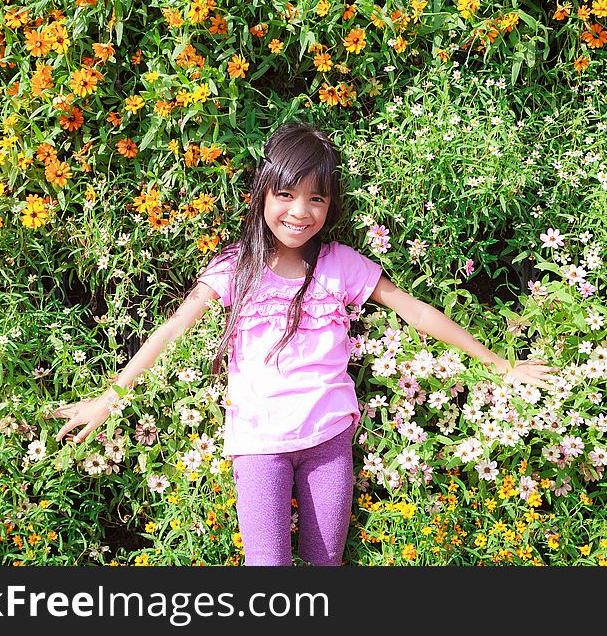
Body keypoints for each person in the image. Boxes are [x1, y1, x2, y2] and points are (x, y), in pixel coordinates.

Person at [53, 120, 557, 566]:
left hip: (327, 440)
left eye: (316, 198)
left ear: (330, 205)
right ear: (262, 194)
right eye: (287, 194)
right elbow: (169, 330)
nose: (300, 211)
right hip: (258, 445)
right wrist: (110, 396)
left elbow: (415, 311)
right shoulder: (235, 268)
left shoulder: (339, 263)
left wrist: (501, 365)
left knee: (324, 562)